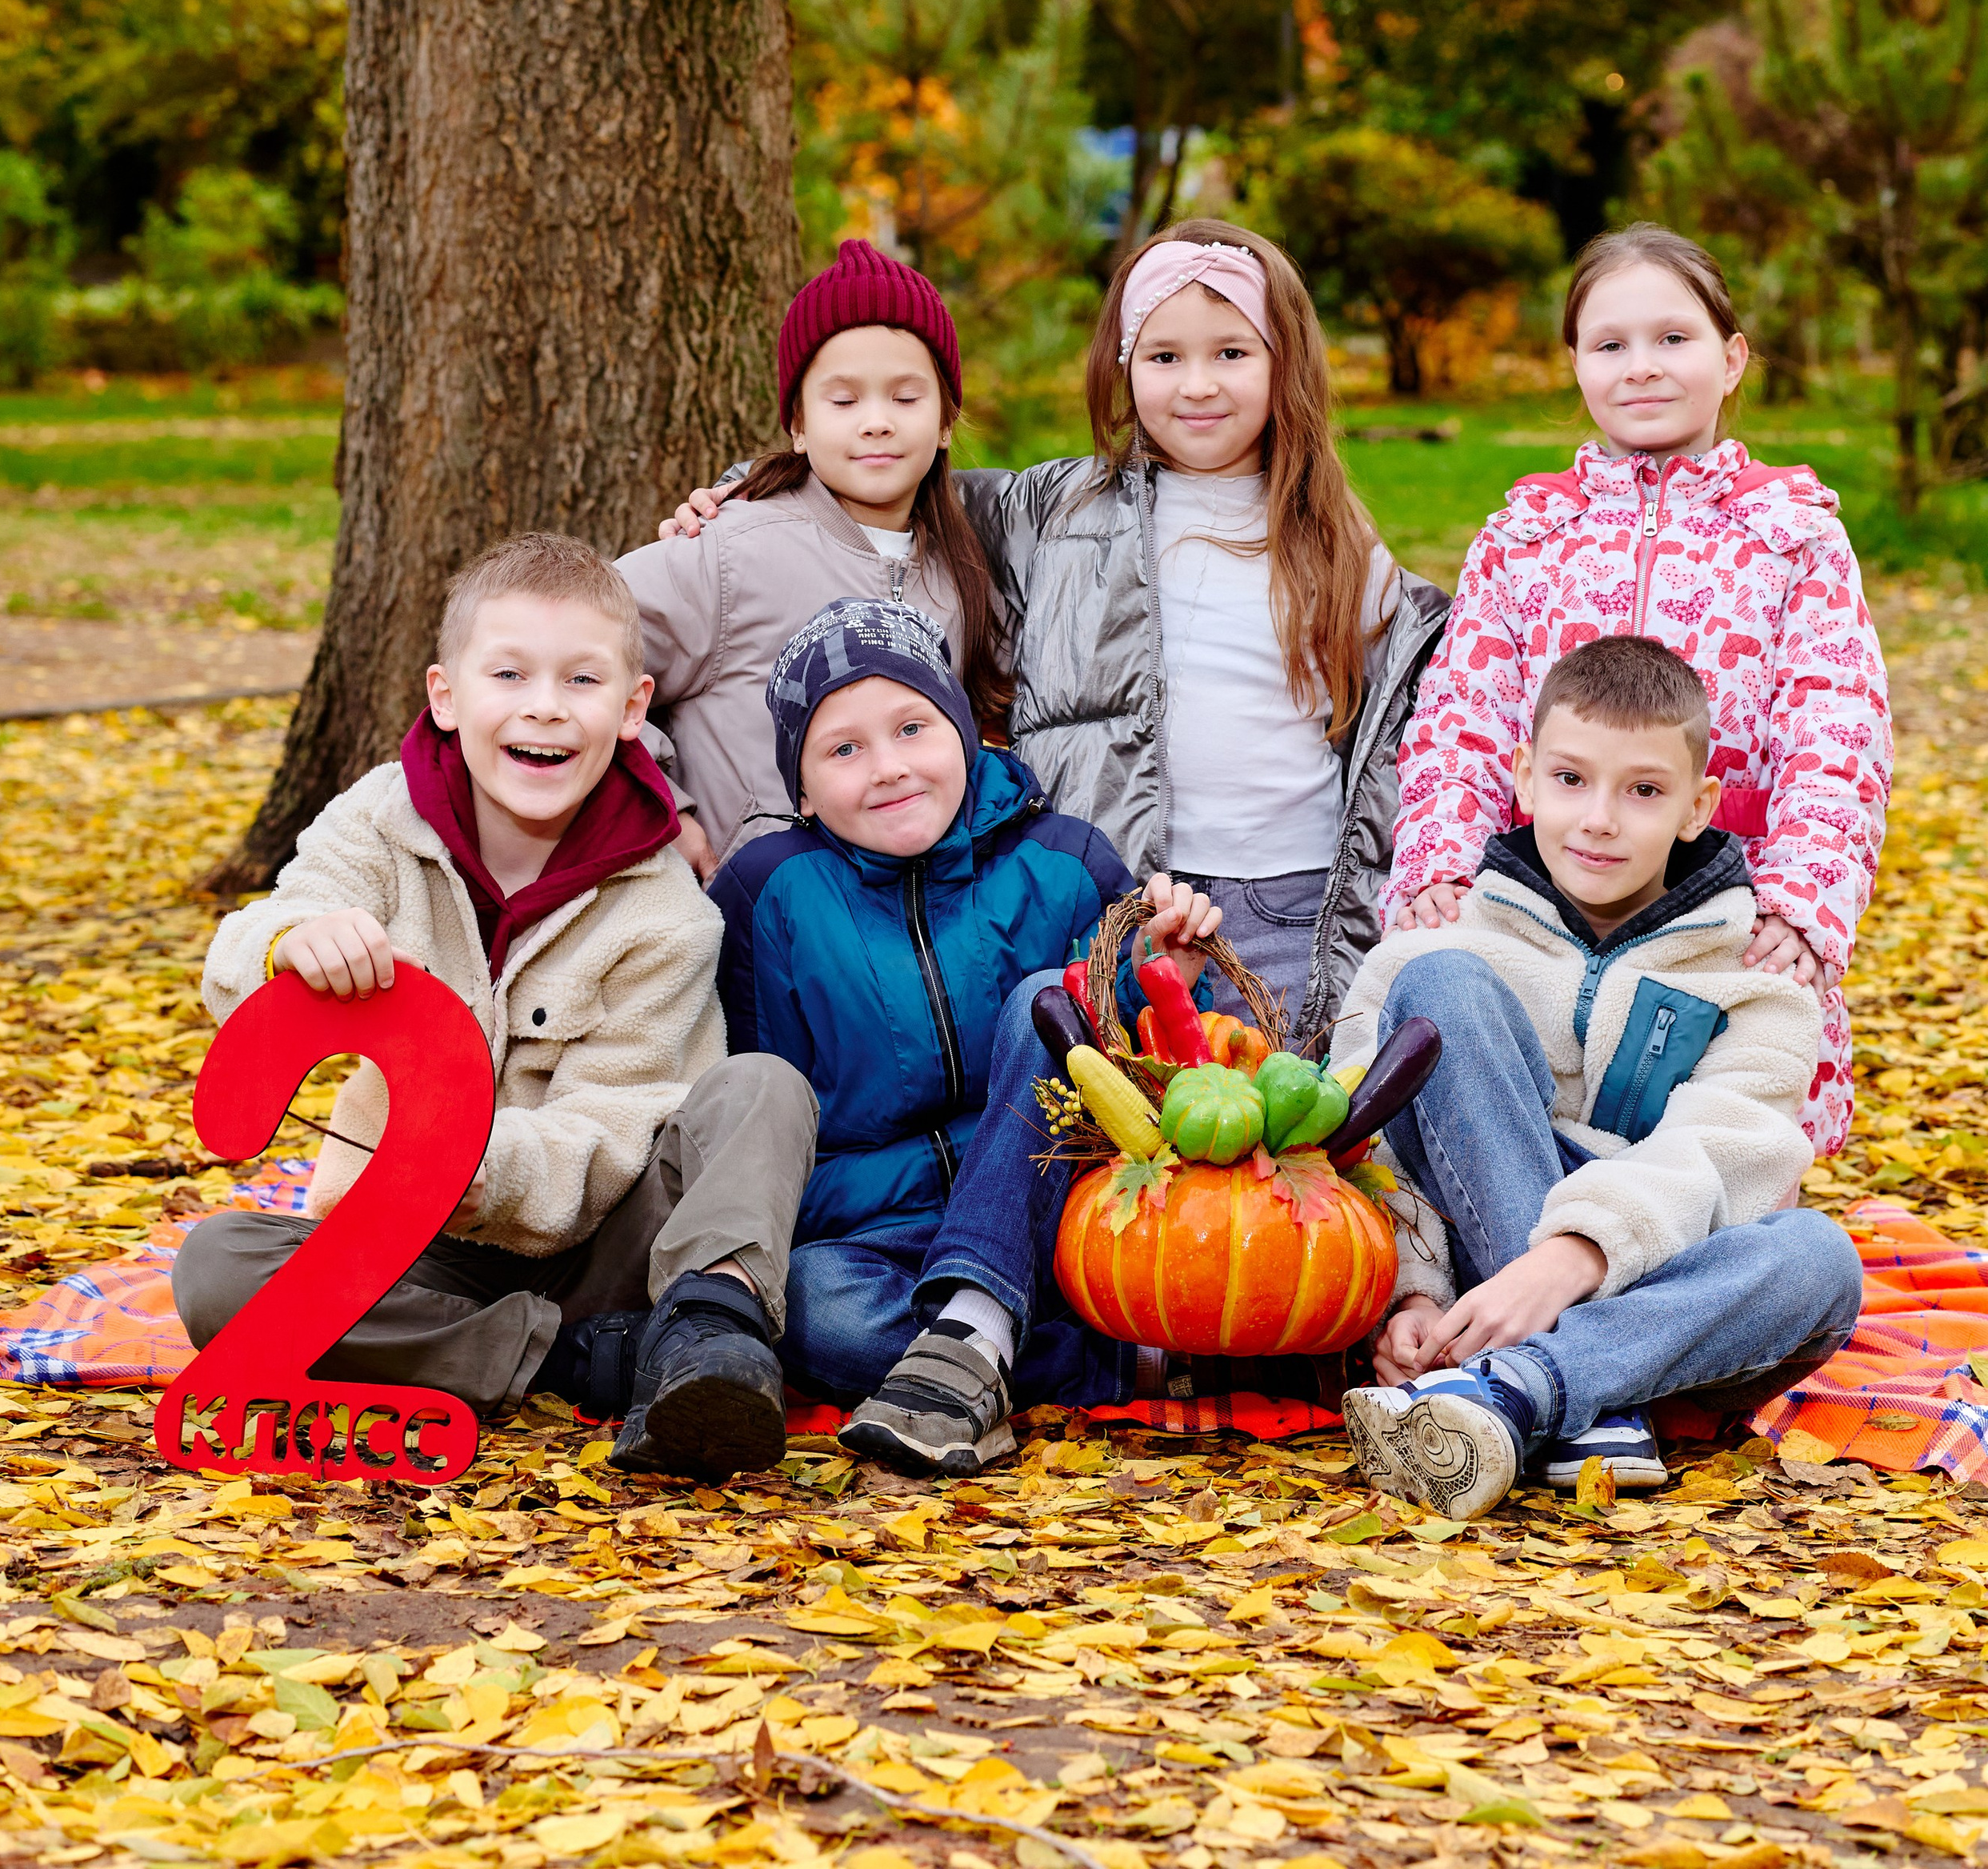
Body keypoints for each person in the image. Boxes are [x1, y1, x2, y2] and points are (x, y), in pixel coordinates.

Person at [666, 219, 1448, 1046]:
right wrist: (747, 492)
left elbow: (1412, 710)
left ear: (1283, 362)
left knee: (1277, 1105)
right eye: (1164, 357)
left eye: (1231, 353)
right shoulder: (1055, 511)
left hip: (1290, 896)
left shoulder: (1336, 541)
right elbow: (887, 481)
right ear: (1123, 366)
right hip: (1113, 899)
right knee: (1114, 1109)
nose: (1197, 385)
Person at [174, 532, 818, 1484]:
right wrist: (292, 942)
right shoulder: (378, 822)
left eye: (582, 680)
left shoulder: (665, 907)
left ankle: (706, 1331)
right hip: (412, 1250)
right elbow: (248, 949)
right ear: (446, 695)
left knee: (761, 1087)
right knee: (218, 1267)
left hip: (601, 1248)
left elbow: (621, 1118)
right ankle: (577, 1362)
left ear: (633, 709)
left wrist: (476, 1162)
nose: (544, 706)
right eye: (509, 674)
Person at [1388, 222, 1891, 1154]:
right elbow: (1462, 715)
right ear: (1576, 366)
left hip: (1725, 909)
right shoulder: (1527, 539)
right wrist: (1441, 865)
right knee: (1535, 1127)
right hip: (1547, 889)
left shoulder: (1790, 537)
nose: (1642, 367)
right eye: (1610, 345)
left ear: (1731, 359)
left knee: (1713, 1142)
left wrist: (1799, 903)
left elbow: (1836, 732)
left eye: (1672, 338)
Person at [1338, 633, 1863, 1519]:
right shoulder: (1428, 950)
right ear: (1524, 777)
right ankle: (1575, 1399)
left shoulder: (1758, 986)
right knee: (1444, 990)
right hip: (1476, 1279)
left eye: (1644, 791)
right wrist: (1416, 1296)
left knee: (1820, 1260)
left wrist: (1571, 1258)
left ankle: (1524, 1384)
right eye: (1570, 779)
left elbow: (1723, 1156)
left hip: (1660, 1293)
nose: (1599, 819)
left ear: (1698, 806)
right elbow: (1364, 1144)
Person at [709, 597, 1221, 1475]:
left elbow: (1139, 1069)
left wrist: (1161, 970)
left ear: (966, 732)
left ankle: (974, 1332)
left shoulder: (1064, 861)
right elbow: (769, 1114)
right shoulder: (768, 893)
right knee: (815, 1312)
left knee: (1043, 1001)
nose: (888, 768)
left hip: (1054, 1215)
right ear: (802, 790)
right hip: (879, 1236)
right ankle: (1054, 1354)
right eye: (842, 750)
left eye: (913, 728)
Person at [618, 238, 1010, 870]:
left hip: (894, 919)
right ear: (799, 425)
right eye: (844, 400)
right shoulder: (731, 551)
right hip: (741, 909)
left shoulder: (959, 576)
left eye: (906, 398)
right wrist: (665, 811)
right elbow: (575, 660)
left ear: (944, 422)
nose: (877, 421)